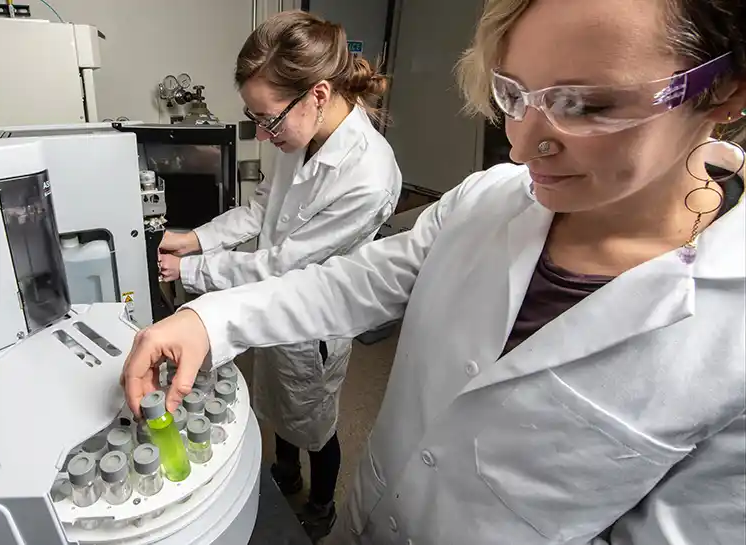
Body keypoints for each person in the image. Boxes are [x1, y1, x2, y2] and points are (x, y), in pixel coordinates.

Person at [123, 0, 746, 543]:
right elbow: (352, 281)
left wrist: (203, 272)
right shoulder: (488, 199)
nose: (522, 147)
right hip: (369, 515)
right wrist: (209, 317)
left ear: (724, 90)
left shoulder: (731, 338)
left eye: (584, 104)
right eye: (514, 95)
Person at [155, 11, 402, 538]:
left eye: (269, 120)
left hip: (314, 320)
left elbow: (283, 264)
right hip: (267, 299)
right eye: (254, 118)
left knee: (315, 419)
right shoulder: (298, 134)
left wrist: (191, 269)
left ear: (317, 94)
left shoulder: (368, 176)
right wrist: (195, 237)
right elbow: (261, 209)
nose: (263, 135)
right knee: (278, 404)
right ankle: (285, 472)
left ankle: (321, 504)